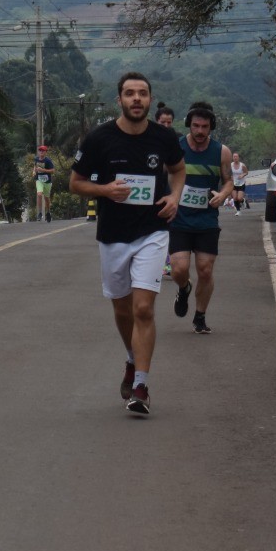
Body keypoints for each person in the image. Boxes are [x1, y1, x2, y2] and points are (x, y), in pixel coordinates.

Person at [70, 73, 184, 416]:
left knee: (143, 309)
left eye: (143, 94)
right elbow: (75, 183)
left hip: (153, 231)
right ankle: (132, 361)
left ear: (150, 100)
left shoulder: (163, 137)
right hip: (113, 235)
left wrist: (175, 197)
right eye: (130, 94)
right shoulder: (99, 139)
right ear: (119, 99)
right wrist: (105, 191)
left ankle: (141, 386)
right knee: (122, 310)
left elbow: (178, 171)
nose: (137, 99)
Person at [168, 103, 234, 334]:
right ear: (189, 125)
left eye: (204, 127)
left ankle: (200, 316)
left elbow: (228, 181)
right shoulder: (176, 149)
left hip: (206, 220)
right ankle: (184, 288)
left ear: (211, 127)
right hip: (179, 218)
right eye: (195, 125)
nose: (199, 131)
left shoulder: (221, 152)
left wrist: (223, 194)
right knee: (178, 269)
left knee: (205, 270)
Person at [33, 144, 55, 223]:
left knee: (46, 198)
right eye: (40, 150)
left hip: (47, 181)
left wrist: (43, 170)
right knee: (39, 194)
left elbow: (52, 171)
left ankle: (48, 212)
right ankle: (39, 213)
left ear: (46, 152)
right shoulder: (36, 159)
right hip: (39, 180)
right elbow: (35, 166)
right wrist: (34, 171)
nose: (41, 152)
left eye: (43, 150)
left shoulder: (48, 161)